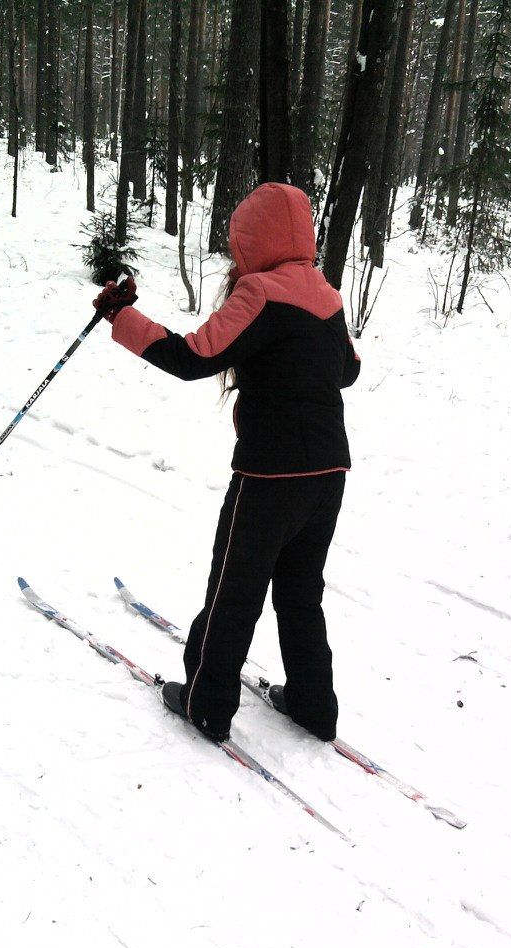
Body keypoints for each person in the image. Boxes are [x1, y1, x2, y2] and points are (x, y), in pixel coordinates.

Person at [94, 182, 360, 743]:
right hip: (329, 472)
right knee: (299, 591)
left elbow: (195, 357)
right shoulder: (328, 295)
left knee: (234, 590)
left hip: (269, 474)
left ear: (250, 237)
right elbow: (347, 369)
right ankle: (315, 707)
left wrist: (122, 316)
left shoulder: (259, 291)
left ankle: (208, 704)